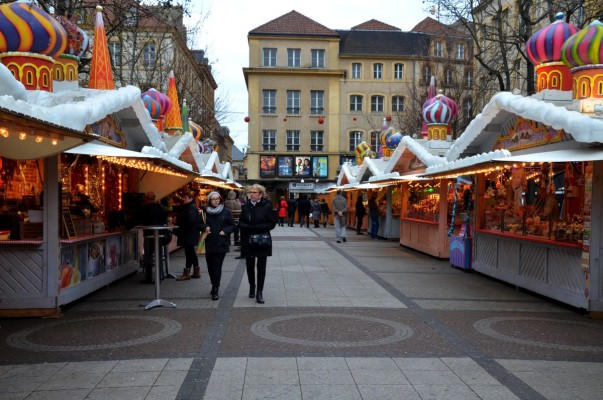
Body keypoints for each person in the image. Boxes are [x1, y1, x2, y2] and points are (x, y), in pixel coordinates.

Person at [239, 184, 277, 304]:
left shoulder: (266, 206)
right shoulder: (246, 206)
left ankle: (259, 292)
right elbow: (241, 222)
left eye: (254, 192)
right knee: (249, 265)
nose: (252, 194)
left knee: (261, 267)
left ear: (260, 194)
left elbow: (272, 224)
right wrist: (247, 228)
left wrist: (256, 228)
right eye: (251, 192)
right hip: (248, 240)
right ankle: (252, 287)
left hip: (262, 241)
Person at [200, 191, 236, 300]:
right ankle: (214, 285)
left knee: (217, 266)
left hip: (221, 243)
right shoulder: (204, 212)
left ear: (220, 199)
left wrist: (225, 231)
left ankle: (216, 288)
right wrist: (204, 226)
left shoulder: (226, 212)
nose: (215, 201)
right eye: (213, 199)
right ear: (209, 201)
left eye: (217, 199)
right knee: (210, 267)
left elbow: (233, 226)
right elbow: (197, 224)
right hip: (209, 242)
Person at [139, 191, 168, 284]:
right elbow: (165, 220)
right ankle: (159, 276)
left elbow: (139, 219)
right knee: (158, 256)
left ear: (147, 198)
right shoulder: (161, 208)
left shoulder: (143, 209)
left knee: (148, 256)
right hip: (159, 235)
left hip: (148, 235)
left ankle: (148, 278)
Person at [175, 189, 201, 281]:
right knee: (191, 252)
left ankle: (187, 273)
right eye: (183, 197)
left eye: (185, 198)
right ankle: (196, 271)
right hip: (190, 233)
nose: (184, 199)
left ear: (190, 198)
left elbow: (190, 221)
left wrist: (181, 225)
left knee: (189, 253)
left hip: (189, 233)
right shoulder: (190, 207)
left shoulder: (191, 208)